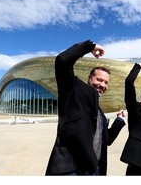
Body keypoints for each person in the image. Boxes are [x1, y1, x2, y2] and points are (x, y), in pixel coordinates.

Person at [45, 40, 126, 176]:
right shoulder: (73, 90)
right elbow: (62, 60)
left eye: (106, 82)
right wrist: (90, 47)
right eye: (99, 80)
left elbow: (106, 141)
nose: (102, 85)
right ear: (89, 78)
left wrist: (119, 121)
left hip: (94, 169)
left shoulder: (99, 113)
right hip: (71, 169)